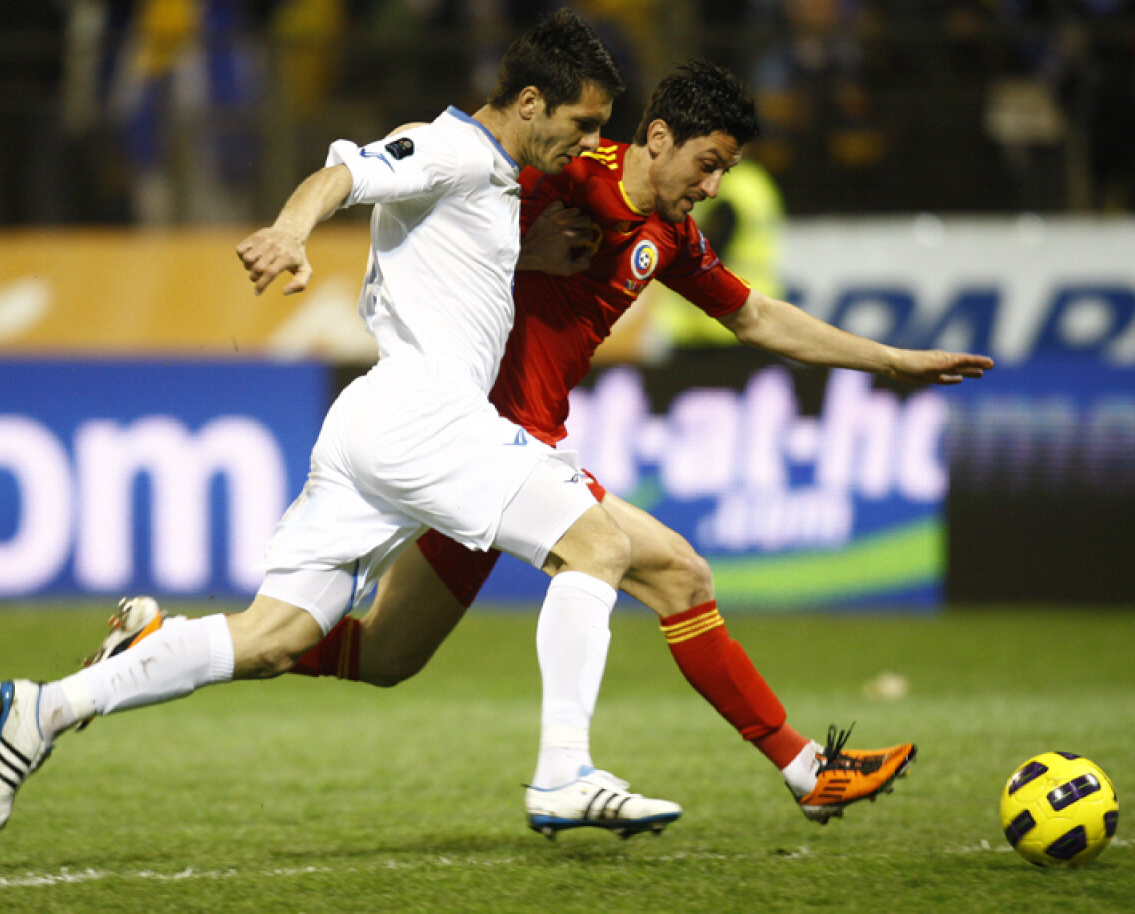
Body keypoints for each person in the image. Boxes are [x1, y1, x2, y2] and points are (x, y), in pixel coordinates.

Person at [89, 60, 994, 834]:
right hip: (478, 441)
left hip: (504, 453)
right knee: (675, 573)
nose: (712, 187)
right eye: (708, 164)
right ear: (659, 137)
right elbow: (444, 225)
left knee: (386, 657)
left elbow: (754, 314)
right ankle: (785, 770)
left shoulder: (670, 236)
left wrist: (891, 360)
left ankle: (163, 642)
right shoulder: (561, 173)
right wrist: (517, 250)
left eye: (725, 171)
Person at [0, 9, 684, 839]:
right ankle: (564, 772)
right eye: (583, 124)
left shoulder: (491, 180)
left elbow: (437, 256)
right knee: (597, 544)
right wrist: (289, 230)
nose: (592, 141)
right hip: (428, 418)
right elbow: (345, 175)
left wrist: (524, 257)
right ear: (530, 102)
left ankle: (46, 707)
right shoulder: (450, 148)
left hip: (377, 423)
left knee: (273, 637)